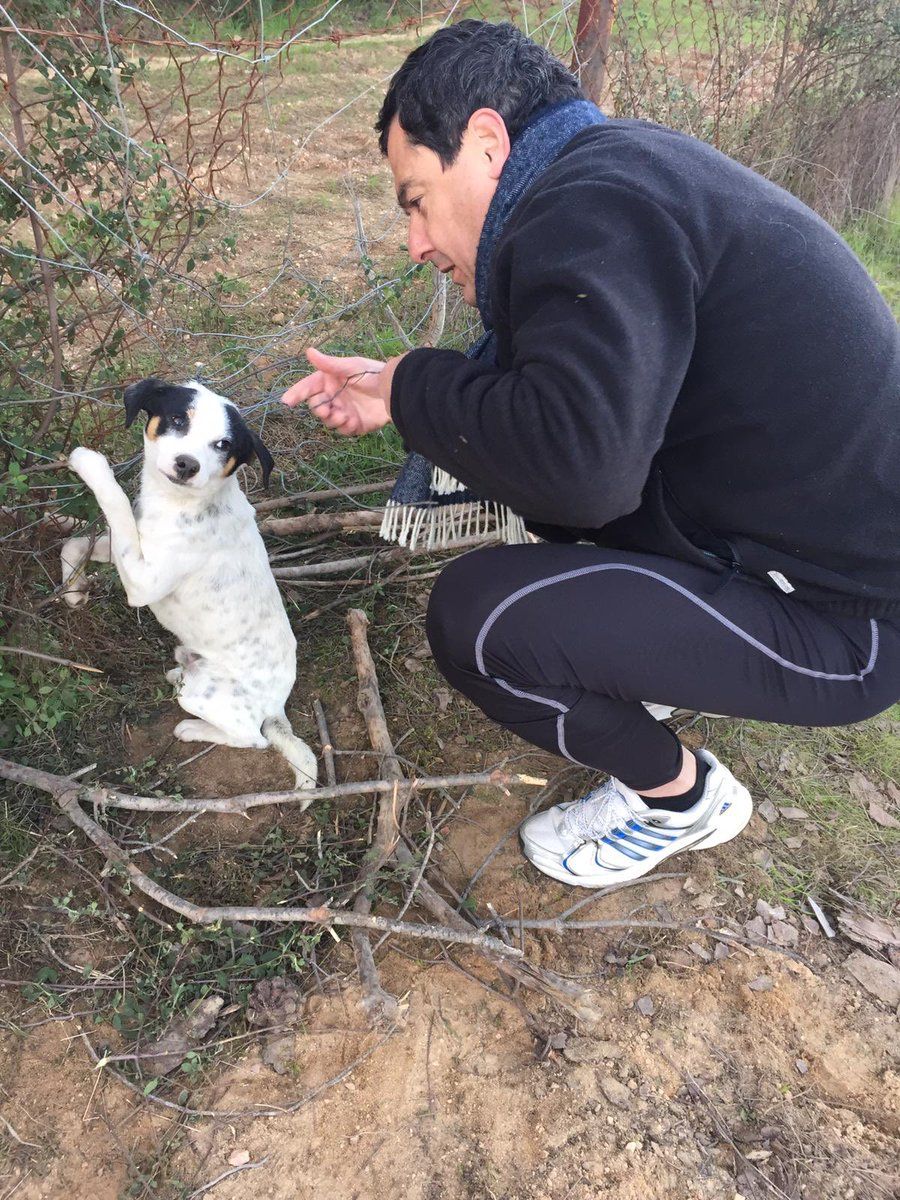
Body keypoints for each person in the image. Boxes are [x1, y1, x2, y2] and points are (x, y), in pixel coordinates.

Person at [282, 20, 900, 888]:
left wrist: (417, 386)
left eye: (416, 198)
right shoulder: (616, 176)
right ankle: (660, 665)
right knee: (549, 511)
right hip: (804, 546)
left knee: (479, 623)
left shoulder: (586, 209)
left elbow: (580, 469)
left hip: (856, 628)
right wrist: (400, 392)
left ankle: (680, 801)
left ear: (488, 143)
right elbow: (566, 418)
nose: (417, 243)